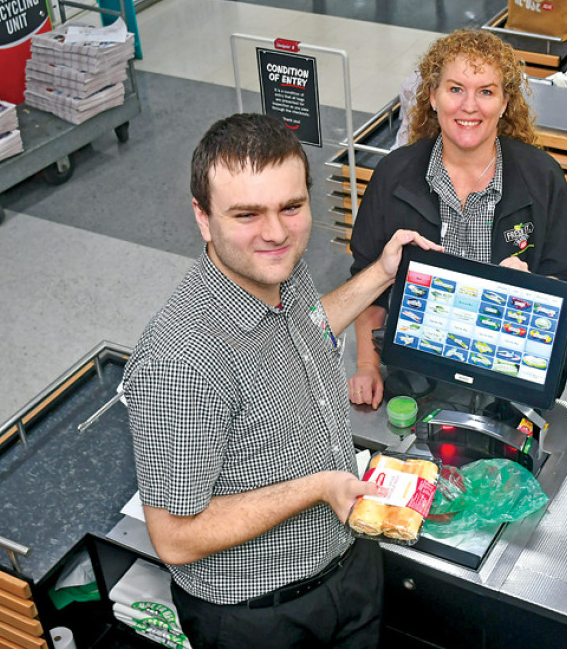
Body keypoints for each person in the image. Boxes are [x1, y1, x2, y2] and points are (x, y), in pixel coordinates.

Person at [122, 113, 441, 648]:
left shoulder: (277, 272)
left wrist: (384, 272)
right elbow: (174, 538)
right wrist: (318, 488)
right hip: (261, 617)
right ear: (203, 218)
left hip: (348, 564)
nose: (275, 232)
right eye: (247, 214)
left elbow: (310, 324)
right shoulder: (179, 361)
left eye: (291, 207)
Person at [348, 28, 567, 409]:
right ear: (432, 95)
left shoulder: (542, 178)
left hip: (510, 380)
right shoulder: (394, 175)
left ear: (506, 102)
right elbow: (367, 278)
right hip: (413, 376)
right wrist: (366, 363)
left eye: (486, 91)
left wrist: (532, 291)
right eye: (455, 89)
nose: (469, 106)